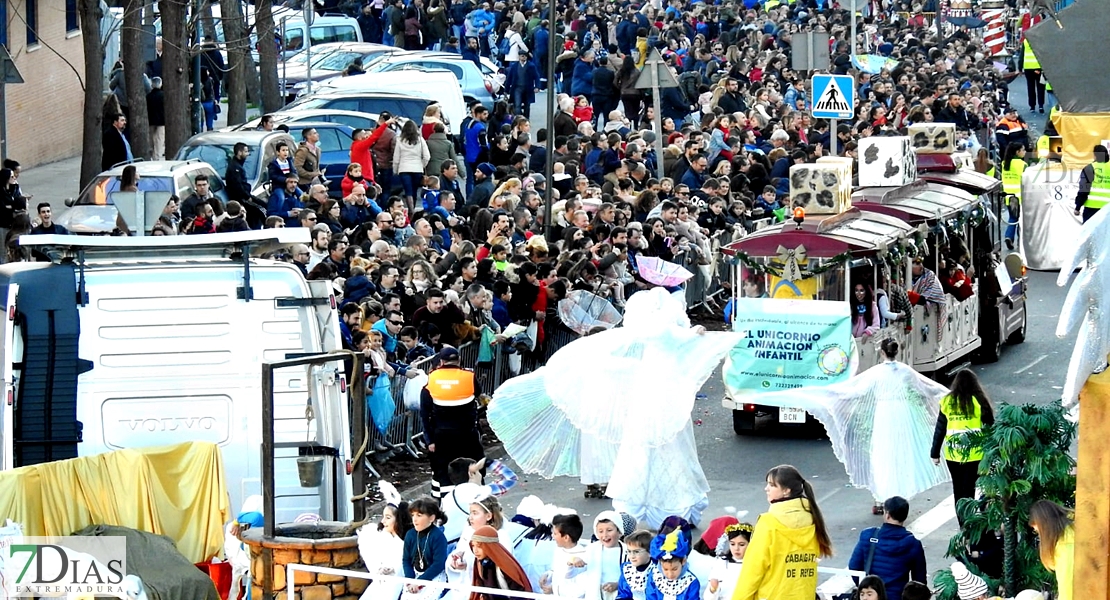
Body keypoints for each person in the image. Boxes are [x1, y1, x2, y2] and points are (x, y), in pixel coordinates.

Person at [486, 288, 741, 528]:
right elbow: (672, 339)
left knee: (661, 455)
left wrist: (693, 334)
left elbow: (675, 341)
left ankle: (658, 507)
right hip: (651, 410)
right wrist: (693, 334)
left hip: (661, 410)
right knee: (652, 456)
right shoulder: (648, 341)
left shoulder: (649, 343)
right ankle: (652, 507)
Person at [736, 339, 952, 506]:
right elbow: (928, 388)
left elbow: (855, 391)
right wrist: (953, 394)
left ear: (882, 352)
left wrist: (833, 397)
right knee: (900, 452)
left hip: (884, 414)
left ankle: (883, 497)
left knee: (882, 453)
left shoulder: (876, 373)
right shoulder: (906, 371)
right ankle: (899, 495)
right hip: (901, 413)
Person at [732, 465, 833, 600]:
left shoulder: (768, 523)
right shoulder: (813, 521)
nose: (766, 489)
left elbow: (752, 570)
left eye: (772, 485)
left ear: (786, 491)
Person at [419, 346, 484, 501]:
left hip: (442, 435)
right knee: (471, 468)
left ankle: (445, 505)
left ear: (441, 361)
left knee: (442, 472)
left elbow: (424, 414)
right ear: (459, 360)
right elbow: (478, 392)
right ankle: (475, 500)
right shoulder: (469, 376)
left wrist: (429, 440)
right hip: (467, 433)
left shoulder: (432, 380)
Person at [930, 370, 995, 517]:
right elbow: (990, 427)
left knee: (958, 490)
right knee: (970, 489)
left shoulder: (947, 401)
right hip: (975, 455)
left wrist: (935, 453)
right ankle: (972, 523)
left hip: (953, 455)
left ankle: (963, 525)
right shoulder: (979, 401)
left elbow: (940, 429)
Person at [848, 496, 926, 600]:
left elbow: (854, 566)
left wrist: (867, 590)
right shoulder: (913, 544)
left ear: (887, 515)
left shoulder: (868, 536)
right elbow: (919, 582)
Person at [402, 497, 449, 600]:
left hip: (434, 575)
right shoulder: (410, 534)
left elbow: (438, 564)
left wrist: (420, 582)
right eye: (413, 515)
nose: (414, 519)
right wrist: (410, 580)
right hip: (415, 573)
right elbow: (406, 560)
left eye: (419, 515)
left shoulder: (438, 537)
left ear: (431, 518)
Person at [469, 524, 533, 600]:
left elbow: (519, 594)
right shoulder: (479, 563)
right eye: (473, 545)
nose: (475, 550)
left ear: (489, 546)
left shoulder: (505, 565)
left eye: (479, 546)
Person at [1029, 500, 1074, 600]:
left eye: (1038, 531)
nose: (1040, 536)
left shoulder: (1065, 546)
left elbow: (1068, 588)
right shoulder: (1074, 531)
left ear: (1045, 527)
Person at [645, 529, 699, 600]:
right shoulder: (655, 576)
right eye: (665, 569)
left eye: (674, 569)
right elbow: (650, 596)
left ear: (683, 561)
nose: (670, 574)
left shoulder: (690, 582)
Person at [703, 523, 751, 600]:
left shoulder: (755, 564)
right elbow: (708, 597)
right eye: (732, 544)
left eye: (741, 545)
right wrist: (712, 589)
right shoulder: (721, 562)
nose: (736, 548)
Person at [1073, 144, 1110, 223]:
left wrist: (1078, 207)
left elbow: (1084, 190)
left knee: (1089, 234)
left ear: (1095, 155)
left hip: (1091, 208)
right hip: (1108, 209)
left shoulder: (1090, 168)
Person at [1000, 143, 1026, 249]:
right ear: (1017, 152)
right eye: (1023, 150)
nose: (1025, 152)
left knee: (1012, 217)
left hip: (1008, 196)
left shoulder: (1004, 163)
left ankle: (1009, 237)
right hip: (1019, 197)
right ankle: (1016, 238)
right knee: (1019, 219)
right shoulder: (1022, 164)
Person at [615, 530, 653, 600]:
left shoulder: (656, 570)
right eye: (629, 551)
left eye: (636, 552)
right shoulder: (627, 570)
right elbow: (624, 593)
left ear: (650, 552)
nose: (632, 556)